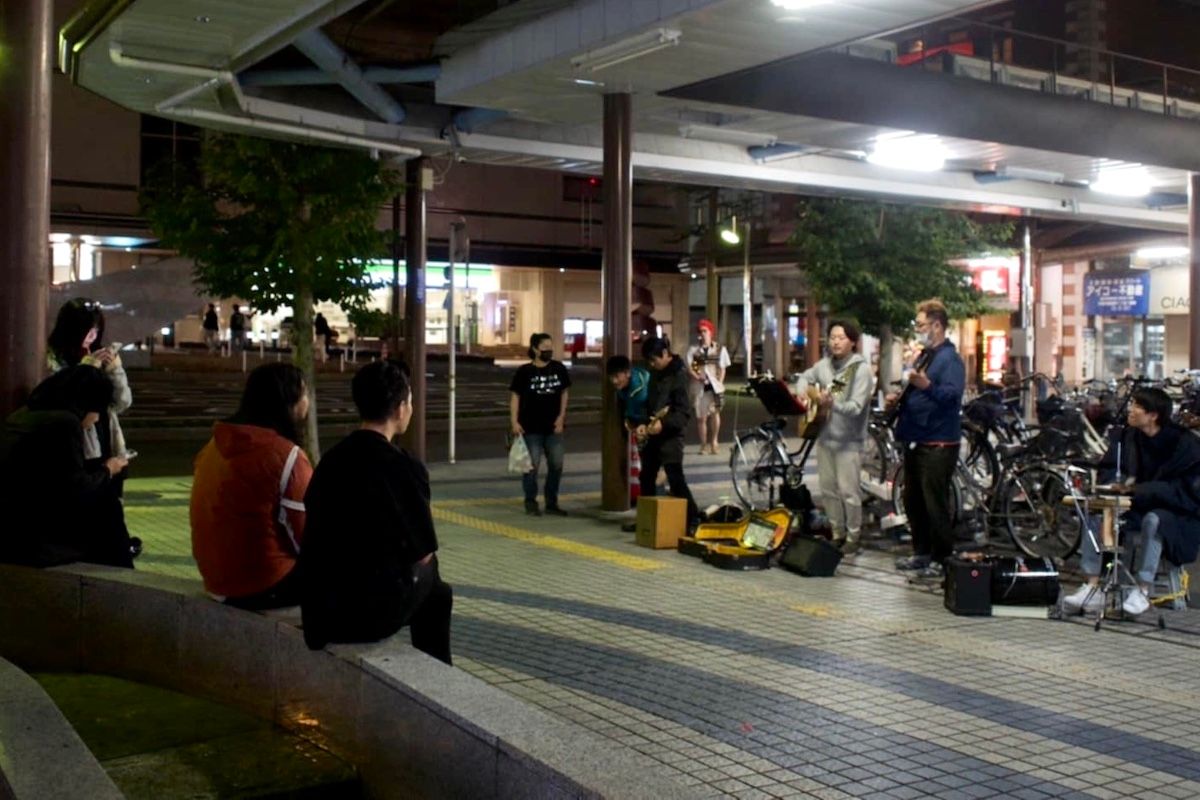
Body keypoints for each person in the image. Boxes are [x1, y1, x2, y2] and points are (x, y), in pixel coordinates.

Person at [298, 360, 452, 665]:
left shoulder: (331, 460)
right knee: (436, 586)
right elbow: (421, 552)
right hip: (364, 616)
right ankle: (439, 676)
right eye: (408, 401)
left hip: (321, 611)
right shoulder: (404, 466)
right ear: (399, 409)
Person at [1063, 387, 1200, 616]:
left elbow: (1186, 489)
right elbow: (1109, 467)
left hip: (1177, 511)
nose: (1131, 410)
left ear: (1153, 415)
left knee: (1154, 520)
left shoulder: (1183, 444)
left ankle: (1143, 589)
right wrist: (1111, 486)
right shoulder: (1127, 437)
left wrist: (1139, 489)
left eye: (1137, 406)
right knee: (1095, 511)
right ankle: (1093, 585)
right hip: (1135, 502)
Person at [190, 363, 313, 609]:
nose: (308, 401)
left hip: (216, 581)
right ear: (289, 401)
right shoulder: (286, 456)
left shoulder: (212, 448)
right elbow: (307, 539)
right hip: (263, 584)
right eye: (304, 393)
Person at [0, 366, 132, 568]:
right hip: (34, 539)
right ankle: (121, 570)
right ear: (88, 402)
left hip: (12, 524)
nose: (96, 419)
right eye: (97, 410)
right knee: (107, 502)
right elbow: (75, 488)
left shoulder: (22, 415)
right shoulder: (64, 423)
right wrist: (108, 469)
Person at [891, 299, 965, 579]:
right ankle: (921, 552)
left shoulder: (950, 359)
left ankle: (942, 556)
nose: (918, 329)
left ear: (937, 325)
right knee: (914, 500)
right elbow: (917, 388)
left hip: (939, 440)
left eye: (921, 324)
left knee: (935, 501)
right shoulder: (925, 355)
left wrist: (927, 386)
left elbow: (952, 396)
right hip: (916, 437)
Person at [795, 319, 874, 555]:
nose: (836, 342)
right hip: (825, 438)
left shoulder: (860, 370)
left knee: (849, 491)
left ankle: (853, 535)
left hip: (849, 441)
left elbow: (856, 407)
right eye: (832, 337)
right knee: (828, 489)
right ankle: (837, 532)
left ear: (852, 342)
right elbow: (804, 377)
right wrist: (802, 394)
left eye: (841, 338)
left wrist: (833, 403)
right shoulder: (824, 365)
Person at [48, 298, 133, 477]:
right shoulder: (52, 359)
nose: (93, 336)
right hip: (76, 448)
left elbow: (122, 403)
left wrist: (114, 371)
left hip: (106, 442)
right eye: (88, 329)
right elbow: (61, 399)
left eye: (96, 329)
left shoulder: (99, 355)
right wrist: (87, 369)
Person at [639, 337, 700, 530]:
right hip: (654, 432)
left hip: (671, 435)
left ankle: (693, 518)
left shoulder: (679, 375)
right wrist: (643, 423)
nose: (651, 364)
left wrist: (663, 424)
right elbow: (649, 403)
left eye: (654, 360)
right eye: (648, 361)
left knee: (675, 478)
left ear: (665, 354)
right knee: (646, 476)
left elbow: (683, 413)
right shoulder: (655, 372)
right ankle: (646, 521)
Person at [509, 333, 571, 516]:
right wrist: (514, 421)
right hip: (530, 426)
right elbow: (515, 396)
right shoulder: (524, 372)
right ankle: (531, 500)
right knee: (532, 465)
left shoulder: (559, 368)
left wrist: (562, 417)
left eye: (551, 348)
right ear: (535, 349)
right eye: (545, 348)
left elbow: (564, 393)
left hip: (554, 427)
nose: (549, 351)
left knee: (557, 463)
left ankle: (552, 502)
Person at [607, 354, 652, 526]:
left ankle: (651, 514)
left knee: (653, 471)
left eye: (616, 376)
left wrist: (634, 423)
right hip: (643, 426)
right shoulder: (629, 382)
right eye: (611, 377)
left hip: (651, 425)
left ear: (627, 373)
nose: (614, 381)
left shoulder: (638, 390)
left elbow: (636, 413)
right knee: (648, 472)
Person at [685, 319, 731, 455]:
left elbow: (722, 368)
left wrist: (719, 383)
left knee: (715, 414)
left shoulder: (720, 349)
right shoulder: (694, 351)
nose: (702, 334)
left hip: (714, 387)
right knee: (701, 417)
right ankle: (703, 444)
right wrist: (698, 376)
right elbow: (690, 368)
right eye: (700, 332)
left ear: (711, 332)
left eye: (705, 331)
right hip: (699, 386)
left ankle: (714, 441)